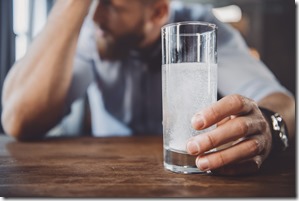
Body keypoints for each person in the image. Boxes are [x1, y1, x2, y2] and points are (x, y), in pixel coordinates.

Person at [1, 0, 295, 176]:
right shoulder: (97, 36)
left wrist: (268, 124)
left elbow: (282, 100)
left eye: (110, 4)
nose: (95, 17)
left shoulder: (200, 27)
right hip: (110, 178)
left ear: (158, 13)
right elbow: (18, 120)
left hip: (196, 173)